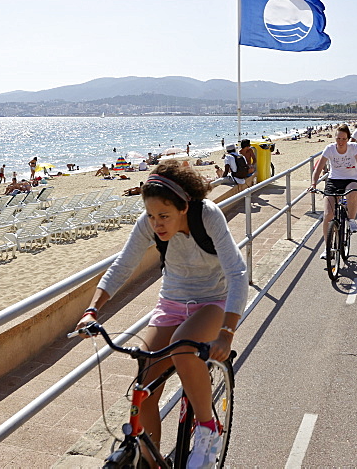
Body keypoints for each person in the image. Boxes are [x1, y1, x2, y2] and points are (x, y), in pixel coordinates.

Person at [74, 162, 246, 468]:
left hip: (213, 302)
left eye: (163, 216)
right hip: (172, 303)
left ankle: (208, 430)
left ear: (184, 207)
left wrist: (227, 331)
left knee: (182, 347)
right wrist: (92, 310)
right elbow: (122, 266)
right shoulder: (147, 224)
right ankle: (152, 462)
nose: (156, 224)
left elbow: (236, 272)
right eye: (151, 216)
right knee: (145, 383)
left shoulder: (207, 215)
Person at [309, 125, 357, 257]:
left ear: (348, 139)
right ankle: (327, 248)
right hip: (333, 180)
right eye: (338, 139)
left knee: (353, 192)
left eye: (344, 139)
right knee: (328, 215)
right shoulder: (329, 149)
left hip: (351, 179)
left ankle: (351, 220)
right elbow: (318, 168)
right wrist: (313, 184)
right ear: (335, 138)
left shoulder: (354, 148)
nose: (341, 142)